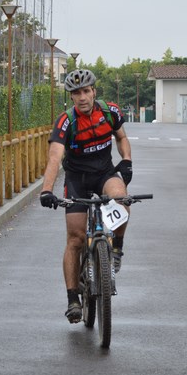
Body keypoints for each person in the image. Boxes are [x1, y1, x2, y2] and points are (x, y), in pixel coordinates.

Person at [39, 69, 133, 324]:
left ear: (94, 92)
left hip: (104, 173)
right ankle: (72, 299)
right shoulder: (66, 121)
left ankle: (116, 251)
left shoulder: (110, 112)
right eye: (76, 93)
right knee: (75, 239)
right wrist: (46, 190)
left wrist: (126, 161)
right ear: (71, 97)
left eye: (86, 91)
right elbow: (55, 158)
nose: (82, 97)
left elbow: (121, 137)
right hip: (77, 180)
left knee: (123, 201)